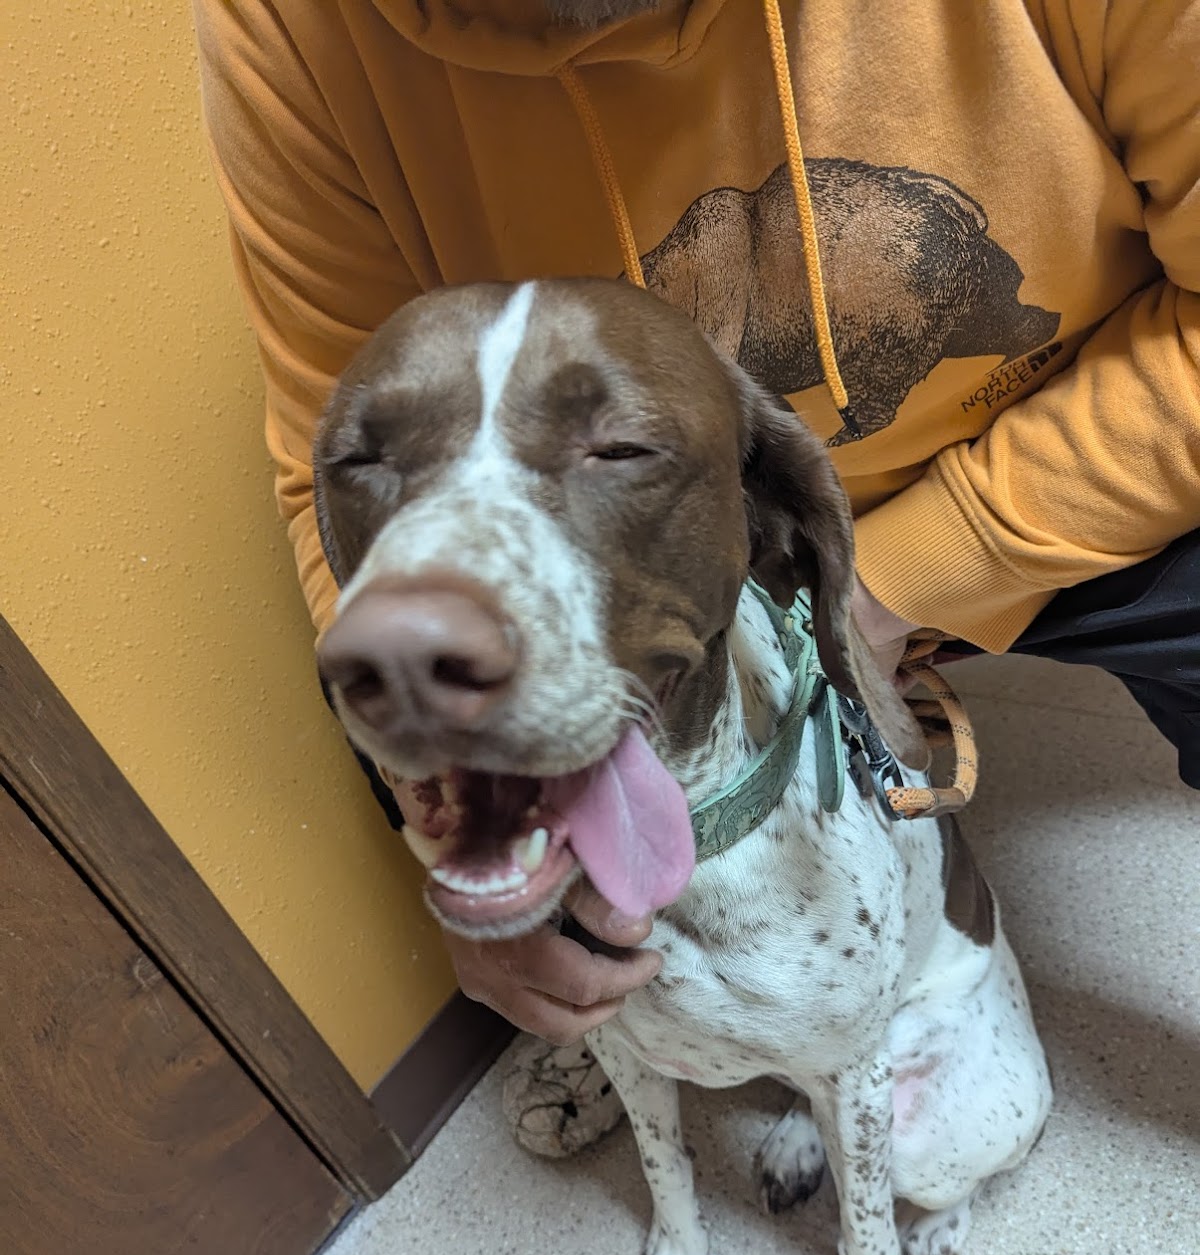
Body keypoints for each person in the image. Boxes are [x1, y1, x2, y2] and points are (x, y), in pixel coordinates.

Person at [193, 0, 1199, 1155]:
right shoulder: (288, 27)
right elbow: (331, 458)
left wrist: (892, 586)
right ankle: (641, 1009)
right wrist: (457, 824)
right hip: (645, 545)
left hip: (1089, 444)